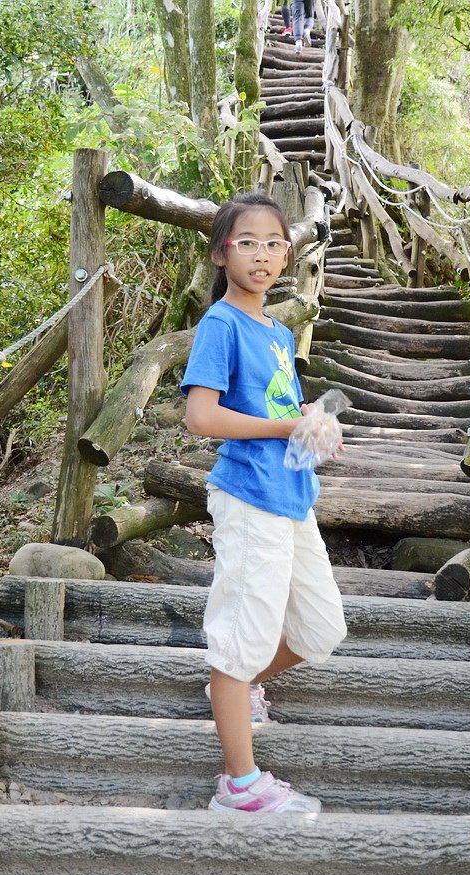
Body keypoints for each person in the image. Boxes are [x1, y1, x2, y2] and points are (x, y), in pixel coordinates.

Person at [181, 193, 347, 814]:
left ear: (289, 254)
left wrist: (310, 425)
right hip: (248, 498)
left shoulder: (277, 332)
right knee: (240, 638)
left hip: (291, 495)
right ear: (223, 253)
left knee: (320, 628)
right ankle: (240, 786)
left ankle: (236, 686)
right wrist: (283, 429)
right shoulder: (221, 324)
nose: (263, 253)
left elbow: (280, 412)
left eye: (275, 242)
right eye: (247, 242)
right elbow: (201, 416)